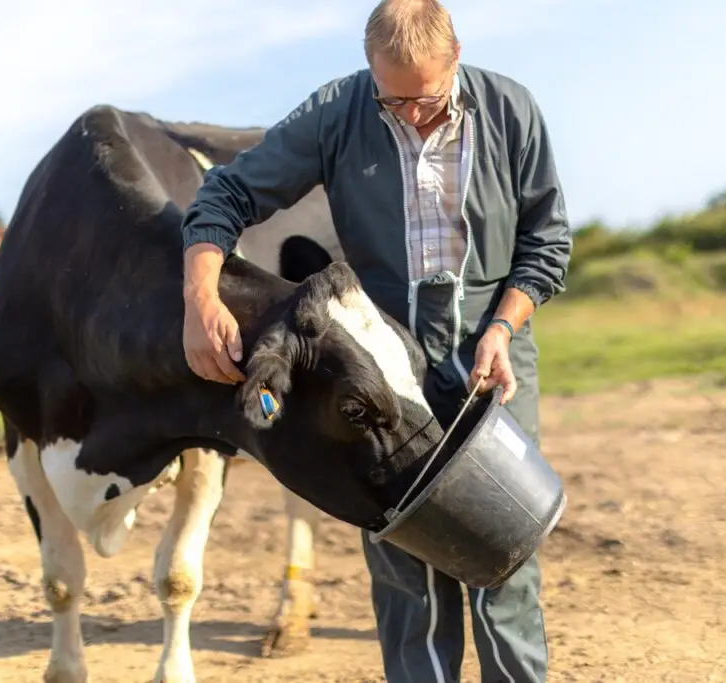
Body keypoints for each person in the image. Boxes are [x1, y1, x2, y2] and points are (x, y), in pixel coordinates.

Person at [179, 1, 572, 680]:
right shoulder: (339, 111)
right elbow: (225, 195)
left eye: (427, 102)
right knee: (406, 573)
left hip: (492, 366)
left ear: (456, 60)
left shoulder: (512, 110)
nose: (410, 117)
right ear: (370, 74)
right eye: (392, 102)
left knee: (502, 560)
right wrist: (199, 296)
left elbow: (546, 242)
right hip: (386, 373)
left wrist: (505, 326)